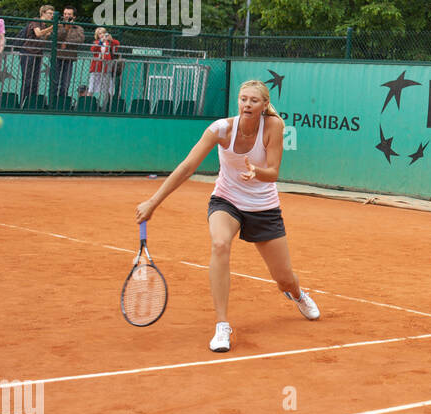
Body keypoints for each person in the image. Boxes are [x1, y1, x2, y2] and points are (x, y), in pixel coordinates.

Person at [135, 79, 320, 352]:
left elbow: (274, 172)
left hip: (263, 207)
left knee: (284, 277)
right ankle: (222, 325)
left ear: (264, 104)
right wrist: (153, 201)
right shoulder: (221, 129)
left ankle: (297, 294)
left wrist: (256, 172)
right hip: (227, 200)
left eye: (253, 100)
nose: (247, 104)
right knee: (220, 243)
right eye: (243, 99)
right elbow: (188, 166)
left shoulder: (274, 127)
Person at [19, 4, 55, 106]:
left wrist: (48, 32)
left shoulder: (44, 25)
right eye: (49, 13)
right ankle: (23, 102)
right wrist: (52, 27)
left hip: (38, 54)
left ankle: (32, 102)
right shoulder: (36, 21)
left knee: (35, 80)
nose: (51, 16)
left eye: (52, 14)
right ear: (43, 13)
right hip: (28, 52)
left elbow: (42, 39)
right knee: (27, 79)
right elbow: (38, 33)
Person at [52, 7, 85, 105]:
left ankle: (63, 102)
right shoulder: (58, 26)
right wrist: (65, 29)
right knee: (55, 81)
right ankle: (53, 102)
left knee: (65, 82)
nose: (67, 16)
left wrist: (67, 42)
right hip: (57, 56)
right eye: (65, 14)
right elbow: (56, 37)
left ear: (74, 16)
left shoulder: (78, 28)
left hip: (69, 57)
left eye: (69, 14)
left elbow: (80, 39)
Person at [87, 26, 119, 108]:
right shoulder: (96, 42)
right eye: (99, 34)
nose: (102, 35)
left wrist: (110, 39)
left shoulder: (109, 43)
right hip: (97, 68)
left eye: (103, 33)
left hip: (106, 69)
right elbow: (93, 49)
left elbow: (117, 44)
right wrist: (100, 42)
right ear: (97, 35)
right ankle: (87, 104)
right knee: (91, 86)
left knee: (110, 88)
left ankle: (109, 105)